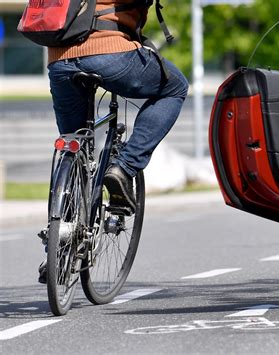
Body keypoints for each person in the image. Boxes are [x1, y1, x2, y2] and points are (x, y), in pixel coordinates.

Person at [39, 0, 188, 283]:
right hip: (110, 54)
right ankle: (124, 166)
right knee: (175, 88)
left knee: (73, 142)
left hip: (58, 60)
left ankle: (59, 242)